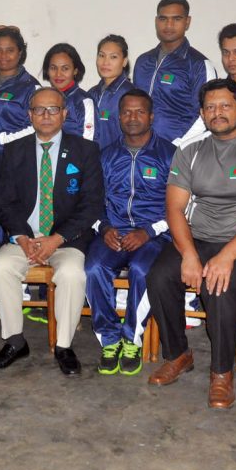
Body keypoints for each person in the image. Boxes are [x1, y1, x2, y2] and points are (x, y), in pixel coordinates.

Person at [145, 79, 236, 409]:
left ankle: (222, 373)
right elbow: (175, 208)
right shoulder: (190, 149)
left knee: (220, 286)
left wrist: (226, 256)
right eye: (210, 107)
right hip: (198, 237)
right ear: (202, 113)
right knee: (159, 276)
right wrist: (189, 253)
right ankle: (179, 355)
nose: (217, 113)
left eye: (225, 106)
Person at [0, 87, 104, 376]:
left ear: (65, 114)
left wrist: (56, 239)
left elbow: (91, 205)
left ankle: (64, 346)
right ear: (30, 115)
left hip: (66, 239)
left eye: (53, 109)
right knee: (0, 266)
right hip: (25, 238)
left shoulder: (85, 150)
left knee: (71, 274)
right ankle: (15, 341)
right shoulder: (15, 151)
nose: (46, 115)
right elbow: (4, 202)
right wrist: (22, 237)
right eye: (39, 110)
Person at [85, 89, 176, 376]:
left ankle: (131, 339)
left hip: (156, 236)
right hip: (113, 232)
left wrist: (149, 232)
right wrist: (105, 227)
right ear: (118, 116)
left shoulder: (170, 155)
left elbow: (181, 207)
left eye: (139, 112)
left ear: (151, 116)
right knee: (94, 267)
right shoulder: (106, 155)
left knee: (141, 270)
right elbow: (91, 202)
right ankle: (109, 339)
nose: (132, 117)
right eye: (126, 112)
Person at [133, 0, 216, 145]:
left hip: (180, 151)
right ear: (156, 21)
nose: (169, 25)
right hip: (141, 150)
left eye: (176, 19)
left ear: (187, 22)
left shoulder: (199, 65)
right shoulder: (142, 61)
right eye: (163, 18)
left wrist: (177, 145)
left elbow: (207, 112)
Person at [0, 25, 42, 151]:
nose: (3, 55)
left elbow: (37, 127)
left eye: (10, 50)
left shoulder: (31, 87)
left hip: (15, 159)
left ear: (20, 53)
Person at [89, 34, 135, 149]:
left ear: (124, 61)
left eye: (113, 57)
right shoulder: (91, 94)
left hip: (117, 162)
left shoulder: (131, 95)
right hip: (91, 163)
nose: (105, 62)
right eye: (101, 56)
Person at [41, 43, 95, 140]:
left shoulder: (83, 102)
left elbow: (89, 144)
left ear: (75, 71)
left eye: (65, 68)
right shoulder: (40, 100)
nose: (58, 74)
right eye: (53, 68)